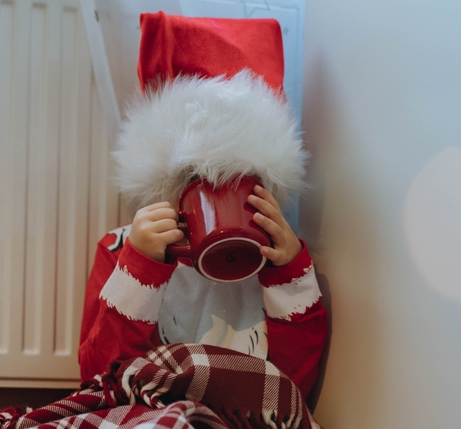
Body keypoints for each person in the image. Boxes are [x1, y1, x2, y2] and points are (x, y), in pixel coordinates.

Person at [77, 12, 327, 399]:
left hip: (238, 426)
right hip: (148, 421)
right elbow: (98, 381)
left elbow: (293, 389)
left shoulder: (275, 266)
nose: (217, 193)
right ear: (163, 180)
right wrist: (140, 267)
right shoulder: (120, 250)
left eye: (239, 179)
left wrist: (290, 272)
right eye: (195, 177)